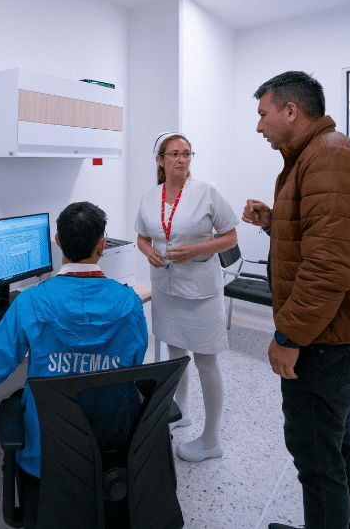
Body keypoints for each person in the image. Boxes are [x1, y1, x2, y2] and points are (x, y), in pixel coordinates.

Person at [242, 71, 350, 529]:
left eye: (262, 114)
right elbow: (321, 238)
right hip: (339, 331)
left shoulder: (329, 158)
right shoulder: (316, 156)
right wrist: (273, 220)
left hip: (329, 339)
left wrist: (287, 335)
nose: (259, 127)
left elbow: (328, 270)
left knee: (316, 458)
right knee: (333, 440)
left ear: (290, 111)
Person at [0, 201, 148, 527]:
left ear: (57, 240)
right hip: (113, 453)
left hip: (48, 458)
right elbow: (133, 362)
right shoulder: (130, 303)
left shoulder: (31, 302)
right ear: (103, 243)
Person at [135, 132, 238, 462]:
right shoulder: (150, 197)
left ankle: (211, 440)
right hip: (165, 289)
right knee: (176, 355)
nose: (182, 159)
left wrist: (198, 248)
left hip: (200, 291)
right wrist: (148, 250)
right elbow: (141, 237)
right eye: (174, 154)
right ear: (160, 160)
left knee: (206, 361)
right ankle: (182, 412)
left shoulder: (206, 192)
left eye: (187, 153)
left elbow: (230, 236)